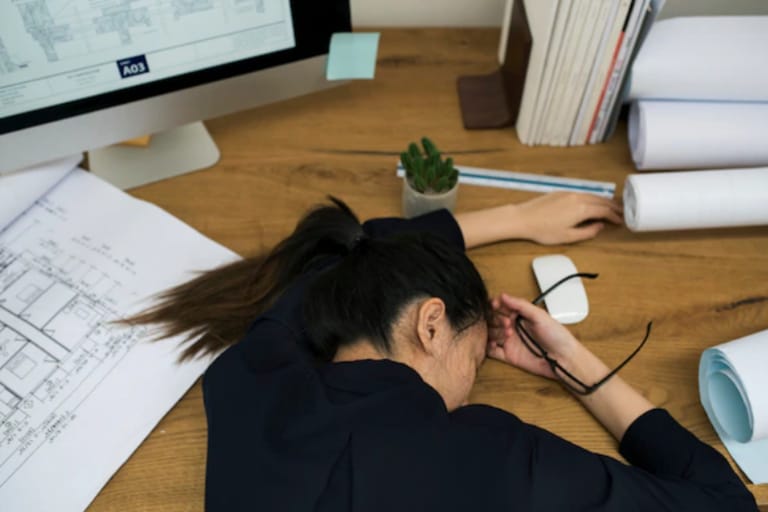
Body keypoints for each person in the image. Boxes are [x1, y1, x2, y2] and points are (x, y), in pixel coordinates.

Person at [131, 192, 756, 511]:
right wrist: (575, 366)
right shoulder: (488, 459)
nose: (473, 383)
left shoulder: (252, 371)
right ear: (432, 325)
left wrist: (518, 216)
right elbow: (722, 504)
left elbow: (352, 248)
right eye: (478, 358)